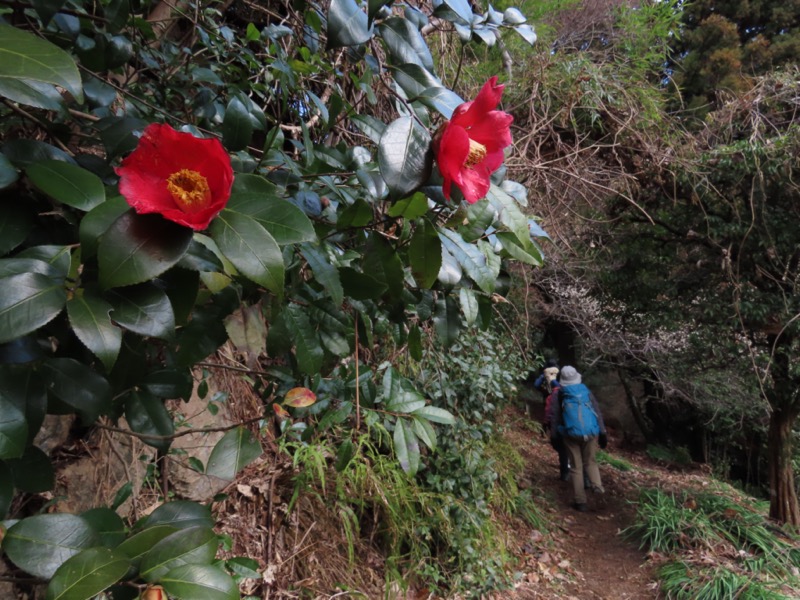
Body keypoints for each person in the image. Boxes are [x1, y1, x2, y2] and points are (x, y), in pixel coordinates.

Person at [550, 366, 608, 512]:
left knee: (576, 467)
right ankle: (597, 487)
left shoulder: (559, 394)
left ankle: (580, 501)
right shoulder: (585, 391)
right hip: (590, 433)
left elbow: (555, 416)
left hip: (570, 434)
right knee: (590, 461)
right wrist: (603, 432)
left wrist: (554, 435)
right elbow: (596, 412)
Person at [543, 380, 571, 481]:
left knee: (562, 450)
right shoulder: (569, 394)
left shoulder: (551, 396)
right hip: (570, 425)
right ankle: (579, 474)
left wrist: (546, 423)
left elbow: (548, 411)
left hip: (558, 426)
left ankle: (565, 473)